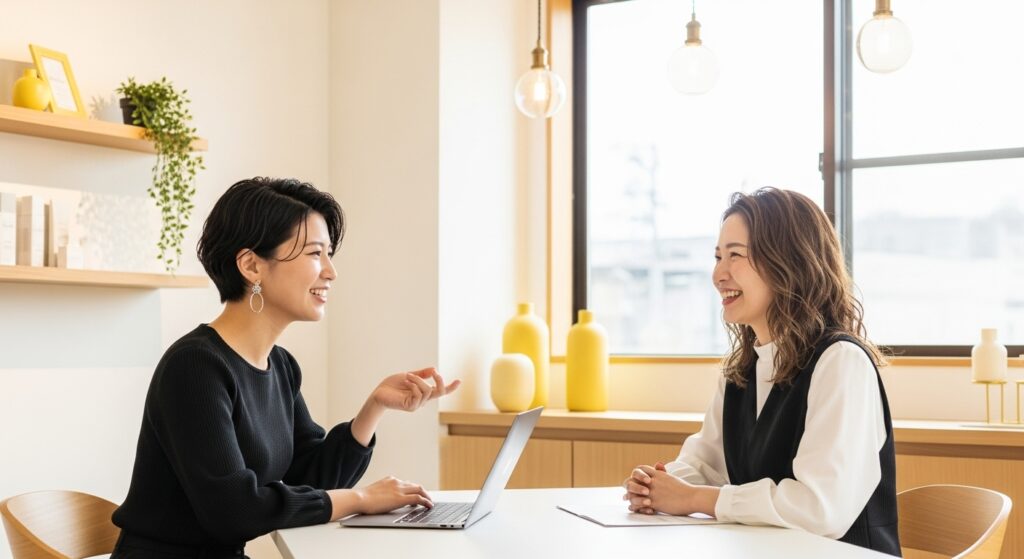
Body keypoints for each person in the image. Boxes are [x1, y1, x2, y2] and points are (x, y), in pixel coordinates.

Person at [111, 177, 460, 558]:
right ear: (251, 266)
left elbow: (309, 479)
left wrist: (373, 408)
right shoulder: (195, 367)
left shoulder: (281, 366)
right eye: (314, 254)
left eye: (329, 254)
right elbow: (234, 510)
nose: (330, 272)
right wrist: (360, 498)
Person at [623, 188, 900, 556]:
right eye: (718, 256)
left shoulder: (841, 363)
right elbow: (706, 463)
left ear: (789, 262)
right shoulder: (742, 370)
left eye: (735, 255)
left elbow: (819, 509)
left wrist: (694, 498)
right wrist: (659, 485)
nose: (718, 274)